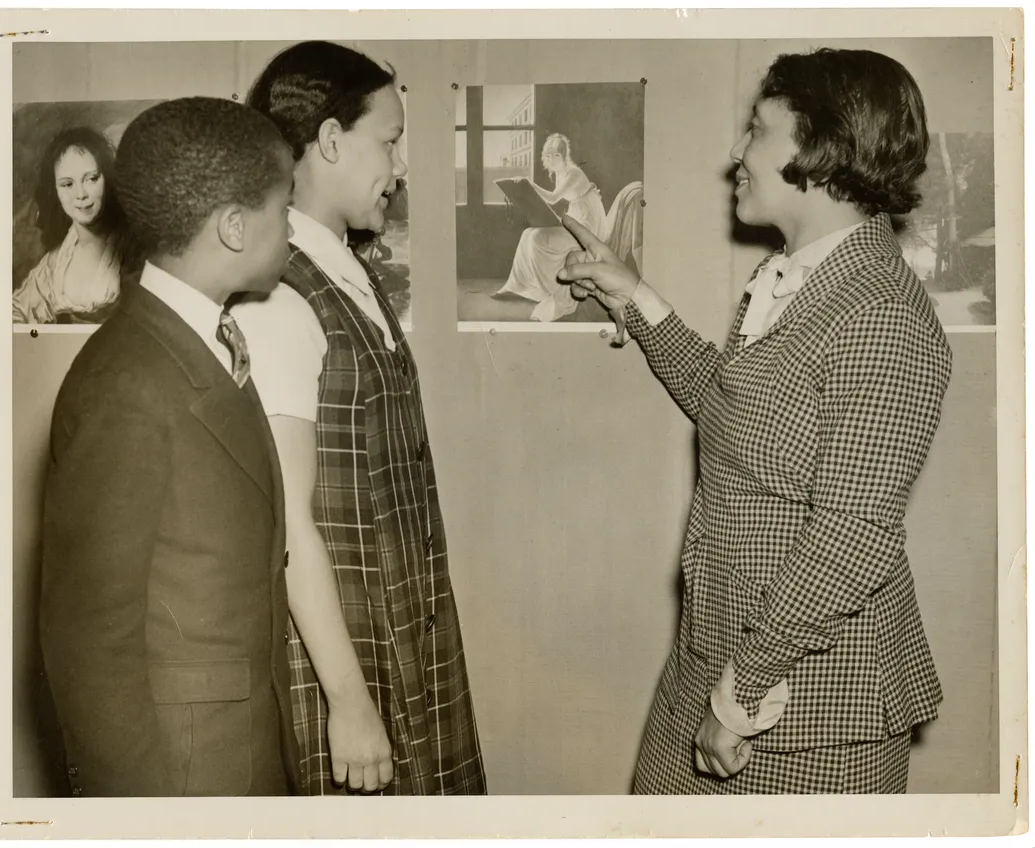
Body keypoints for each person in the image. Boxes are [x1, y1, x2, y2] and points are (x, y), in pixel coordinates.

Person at [558, 48, 952, 794]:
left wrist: (740, 697)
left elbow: (851, 534)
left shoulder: (881, 317)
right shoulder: (796, 279)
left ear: (821, 150)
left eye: (757, 130)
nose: (735, 153)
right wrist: (634, 297)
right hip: (715, 656)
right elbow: (735, 410)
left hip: (801, 706)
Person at [231, 40, 486, 796]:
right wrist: (348, 704)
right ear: (332, 140)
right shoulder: (278, 295)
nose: (401, 167)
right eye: (391, 140)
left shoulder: (346, 269)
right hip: (347, 657)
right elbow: (289, 525)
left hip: (403, 628)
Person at [39, 97, 301, 797]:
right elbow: (91, 642)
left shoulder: (196, 338)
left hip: (238, 748)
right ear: (236, 227)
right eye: (286, 207)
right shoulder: (126, 380)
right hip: (181, 779)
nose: (293, 231)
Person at [13, 127, 127, 324]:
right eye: (67, 184)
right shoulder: (55, 264)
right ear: (55, 191)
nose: (81, 194)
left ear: (107, 179)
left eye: (91, 179)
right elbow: (14, 313)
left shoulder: (132, 247)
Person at [493, 133, 607, 322]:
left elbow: (553, 198)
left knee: (538, 239)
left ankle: (554, 292)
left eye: (556, 155)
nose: (552, 159)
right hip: (577, 216)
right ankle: (517, 286)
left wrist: (528, 184)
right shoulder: (559, 172)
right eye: (549, 155)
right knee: (527, 234)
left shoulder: (573, 173)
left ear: (564, 156)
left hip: (588, 224)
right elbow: (557, 197)